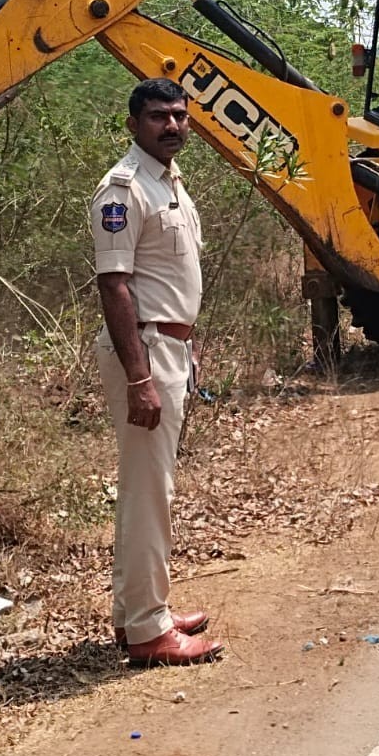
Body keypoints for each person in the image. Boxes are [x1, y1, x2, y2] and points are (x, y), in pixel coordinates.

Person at [91, 78, 224, 666]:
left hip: (168, 349)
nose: (171, 126)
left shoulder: (167, 182)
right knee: (150, 492)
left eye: (179, 116)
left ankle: (139, 612)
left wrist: (185, 347)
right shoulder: (122, 190)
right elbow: (114, 285)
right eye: (157, 117)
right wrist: (141, 377)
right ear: (133, 124)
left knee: (148, 490)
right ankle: (148, 631)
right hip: (143, 354)